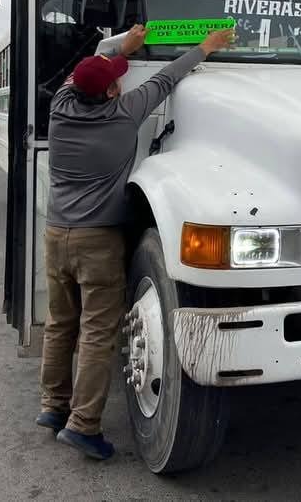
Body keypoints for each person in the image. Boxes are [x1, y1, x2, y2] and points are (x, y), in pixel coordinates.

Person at [37, 24, 235, 461]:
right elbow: (167, 78)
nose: (120, 79)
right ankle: (83, 425)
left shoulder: (61, 107)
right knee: (96, 332)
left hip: (56, 236)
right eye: (116, 78)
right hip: (97, 241)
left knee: (60, 323)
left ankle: (53, 407)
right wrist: (206, 46)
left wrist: (117, 48)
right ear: (110, 93)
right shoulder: (123, 116)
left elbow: (83, 73)